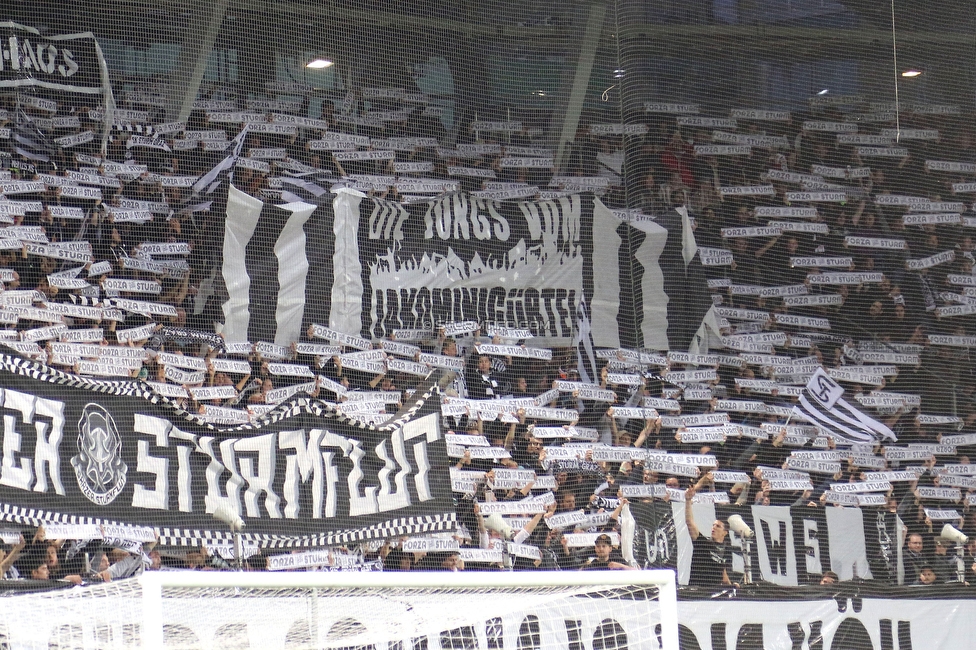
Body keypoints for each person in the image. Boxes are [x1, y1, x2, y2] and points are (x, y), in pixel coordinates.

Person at [685, 486, 732, 588]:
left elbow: (723, 575)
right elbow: (690, 523)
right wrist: (688, 501)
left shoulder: (726, 550)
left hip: (713, 594)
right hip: (697, 591)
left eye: (718, 526)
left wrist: (732, 587)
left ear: (725, 532)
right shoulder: (703, 542)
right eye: (713, 525)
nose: (713, 528)